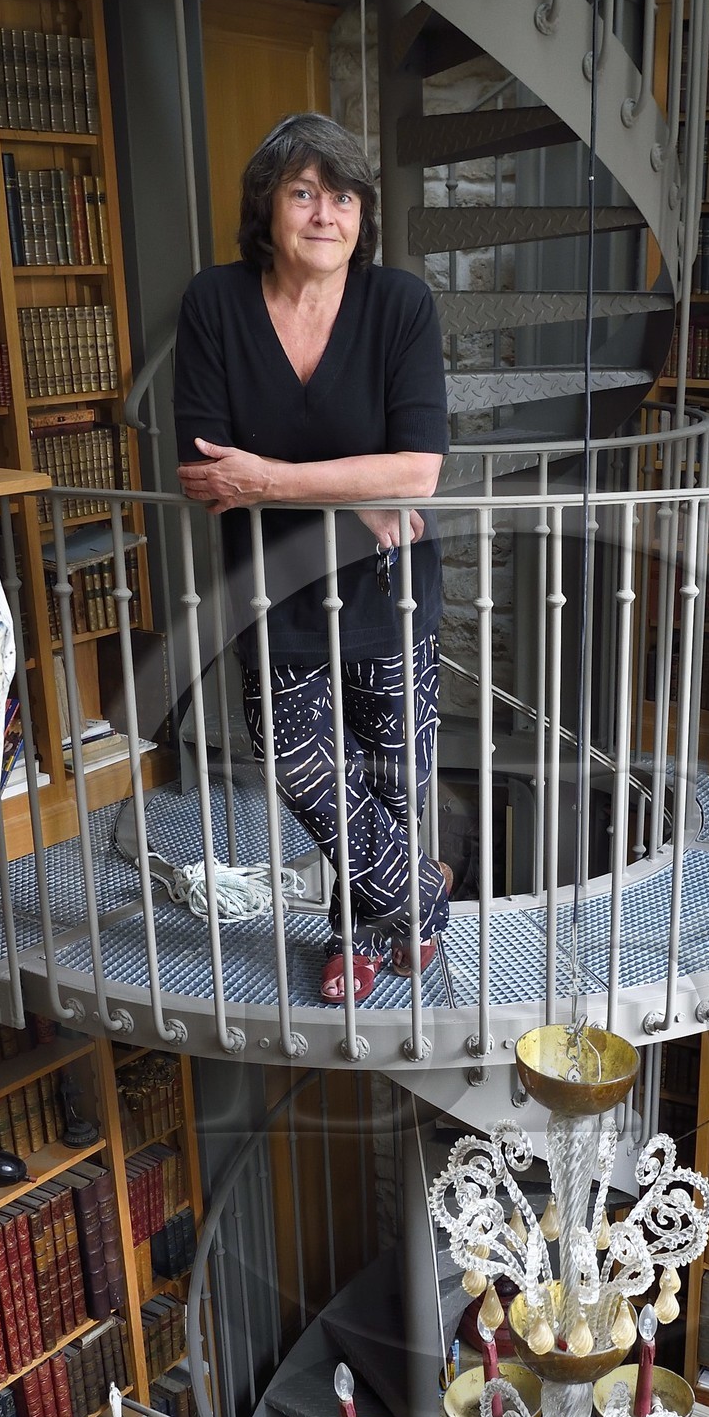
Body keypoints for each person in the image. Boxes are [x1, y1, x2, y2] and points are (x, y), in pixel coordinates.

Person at [174, 112, 452, 1007]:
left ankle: (356, 938)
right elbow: (206, 476)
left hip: (390, 588)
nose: (324, 213)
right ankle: (423, 897)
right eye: (303, 193)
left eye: (342, 196)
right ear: (269, 207)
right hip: (269, 591)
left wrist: (274, 479)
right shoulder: (215, 303)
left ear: (363, 213)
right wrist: (344, 488)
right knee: (301, 767)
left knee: (388, 780)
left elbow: (417, 471)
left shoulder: (400, 304)